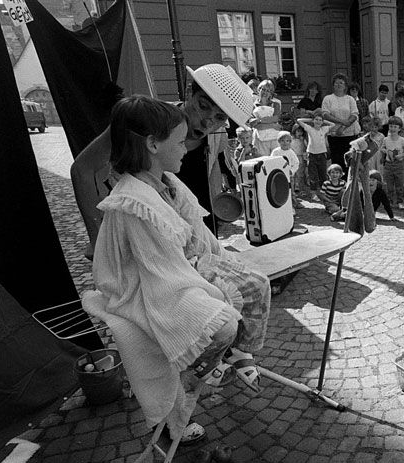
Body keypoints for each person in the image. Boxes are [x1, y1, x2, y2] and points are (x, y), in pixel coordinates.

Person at [84, 95, 270, 442]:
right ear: (153, 144)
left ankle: (235, 355)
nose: (186, 147)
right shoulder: (134, 202)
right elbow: (159, 268)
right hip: (153, 285)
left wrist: (220, 261)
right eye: (179, 141)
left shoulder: (167, 182)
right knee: (222, 322)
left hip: (183, 267)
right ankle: (197, 375)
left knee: (256, 284)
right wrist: (206, 283)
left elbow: (196, 231)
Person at [71, 64, 253, 253]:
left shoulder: (219, 136)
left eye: (219, 117)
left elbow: (211, 174)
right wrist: (97, 238)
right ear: (190, 92)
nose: (208, 121)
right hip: (145, 236)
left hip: (191, 235)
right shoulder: (147, 120)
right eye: (203, 106)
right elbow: (81, 169)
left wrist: (213, 227)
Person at [322, 73, 361, 172]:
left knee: (349, 161)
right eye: (336, 83)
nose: (338, 85)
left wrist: (343, 127)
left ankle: (348, 183)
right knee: (336, 160)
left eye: (341, 83)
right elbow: (325, 114)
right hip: (334, 134)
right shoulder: (328, 99)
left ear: (345, 86)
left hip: (348, 134)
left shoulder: (350, 99)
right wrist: (341, 121)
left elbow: (354, 114)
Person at [296, 109, 335, 192]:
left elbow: (333, 124)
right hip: (312, 154)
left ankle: (323, 191)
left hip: (322, 154)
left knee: (323, 174)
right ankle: (313, 192)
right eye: (316, 119)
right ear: (313, 120)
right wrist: (311, 120)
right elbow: (299, 120)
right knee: (312, 174)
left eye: (320, 120)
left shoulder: (324, 129)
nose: (318, 121)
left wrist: (324, 121)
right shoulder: (310, 129)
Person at [380, 115, 404, 209]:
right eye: (391, 126)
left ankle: (400, 201)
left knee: (399, 184)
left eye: (395, 127)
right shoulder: (386, 139)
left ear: (399, 128)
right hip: (388, 164)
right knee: (389, 185)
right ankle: (389, 200)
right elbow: (382, 148)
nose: (392, 129)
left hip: (398, 164)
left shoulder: (402, 140)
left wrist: (400, 156)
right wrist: (385, 151)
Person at [251, 79, 283, 157]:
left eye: (268, 91)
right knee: (262, 161)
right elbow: (254, 124)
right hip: (259, 139)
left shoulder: (276, 104)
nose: (265, 92)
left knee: (275, 160)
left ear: (271, 93)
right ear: (259, 90)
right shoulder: (253, 105)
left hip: (274, 138)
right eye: (263, 89)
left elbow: (275, 118)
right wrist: (272, 125)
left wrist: (259, 120)